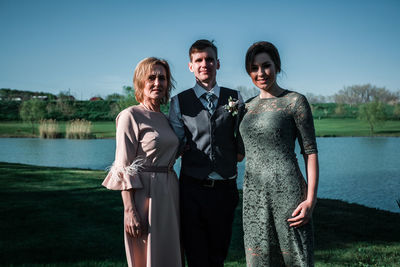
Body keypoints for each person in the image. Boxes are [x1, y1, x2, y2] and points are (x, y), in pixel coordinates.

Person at [239, 41, 319, 266]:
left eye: (266, 65)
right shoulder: (245, 107)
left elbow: (310, 152)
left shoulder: (294, 102)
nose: (261, 73)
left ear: (277, 66)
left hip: (288, 192)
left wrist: (311, 200)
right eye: (254, 68)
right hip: (253, 196)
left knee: (296, 259)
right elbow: (238, 153)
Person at [169, 39, 245, 267]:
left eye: (209, 59)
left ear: (218, 63)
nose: (205, 64)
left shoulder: (235, 98)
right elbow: (176, 143)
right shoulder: (179, 102)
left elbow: (241, 141)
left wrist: (233, 155)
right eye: (199, 60)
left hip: (225, 188)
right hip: (192, 188)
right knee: (196, 254)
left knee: (218, 254)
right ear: (190, 66)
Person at [102, 57, 182, 267]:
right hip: (145, 195)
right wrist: (129, 211)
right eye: (151, 77)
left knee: (169, 253)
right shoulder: (130, 116)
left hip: (170, 191)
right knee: (147, 255)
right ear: (140, 82)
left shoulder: (166, 118)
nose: (157, 83)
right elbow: (123, 166)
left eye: (162, 78)